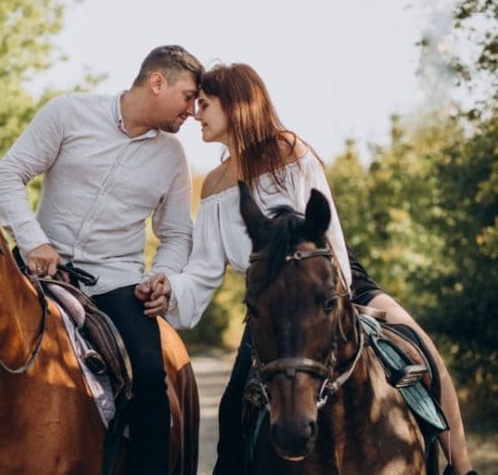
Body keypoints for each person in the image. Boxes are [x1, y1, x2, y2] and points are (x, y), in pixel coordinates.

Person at [139, 62, 474, 475]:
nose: (195, 114)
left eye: (204, 104)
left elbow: (328, 234)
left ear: (236, 105)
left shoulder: (290, 150)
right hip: (272, 305)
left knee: (421, 351)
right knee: (231, 411)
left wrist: (338, 304)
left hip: (334, 282)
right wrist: (170, 289)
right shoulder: (213, 185)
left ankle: (462, 467)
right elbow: (205, 271)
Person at [0, 45, 203, 474]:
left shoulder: (172, 156)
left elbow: (175, 234)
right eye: (188, 97)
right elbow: (8, 174)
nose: (192, 111)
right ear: (158, 82)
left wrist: (163, 277)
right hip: (37, 272)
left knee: (151, 374)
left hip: (116, 283)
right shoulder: (68, 113)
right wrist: (35, 241)